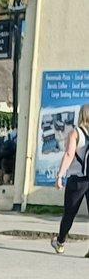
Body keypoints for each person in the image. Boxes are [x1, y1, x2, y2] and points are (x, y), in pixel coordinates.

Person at [51, 104, 89, 251]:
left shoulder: (76, 132)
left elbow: (69, 154)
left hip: (77, 179)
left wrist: (60, 175)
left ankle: (60, 242)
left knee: (69, 213)